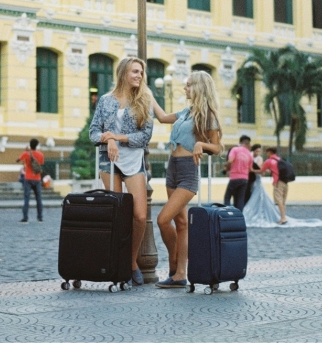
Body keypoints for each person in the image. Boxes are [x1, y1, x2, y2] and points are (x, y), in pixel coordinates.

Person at [152, 70, 223, 288]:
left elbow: (218, 148)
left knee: (163, 219)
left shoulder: (208, 115)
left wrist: (201, 145)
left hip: (188, 172)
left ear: (200, 87)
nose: (185, 88)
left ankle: (174, 262)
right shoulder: (186, 112)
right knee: (181, 223)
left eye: (189, 85)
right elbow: (163, 117)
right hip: (172, 168)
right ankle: (180, 275)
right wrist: (147, 94)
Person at [89, 57, 153, 286]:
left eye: (141, 72)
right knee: (118, 214)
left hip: (134, 161)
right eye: (135, 71)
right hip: (109, 161)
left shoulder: (144, 100)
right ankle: (116, 263)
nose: (139, 75)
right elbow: (93, 131)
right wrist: (108, 141)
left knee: (139, 215)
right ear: (124, 72)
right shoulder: (106, 101)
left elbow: (145, 137)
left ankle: (132, 260)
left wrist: (117, 137)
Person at [243, 146, 322, 228]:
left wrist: (252, 170)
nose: (266, 154)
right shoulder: (280, 159)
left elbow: (261, 171)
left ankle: (283, 218)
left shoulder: (269, 161)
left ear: (270, 152)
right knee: (283, 200)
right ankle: (283, 217)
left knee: (279, 200)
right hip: (285, 182)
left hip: (278, 182)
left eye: (267, 152)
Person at [16, 138, 44, 223]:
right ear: (37, 145)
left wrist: (26, 151)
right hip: (37, 179)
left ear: (30, 145)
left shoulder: (26, 153)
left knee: (26, 198)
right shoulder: (40, 154)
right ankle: (40, 218)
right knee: (39, 199)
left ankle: (25, 218)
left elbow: (17, 160)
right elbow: (41, 164)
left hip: (28, 178)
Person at [223, 135, 253, 212]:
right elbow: (250, 169)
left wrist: (226, 168)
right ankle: (239, 216)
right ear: (247, 144)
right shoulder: (249, 154)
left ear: (240, 142)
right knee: (240, 198)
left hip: (234, 177)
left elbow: (230, 161)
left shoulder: (235, 149)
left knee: (227, 197)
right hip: (244, 179)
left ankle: (228, 214)